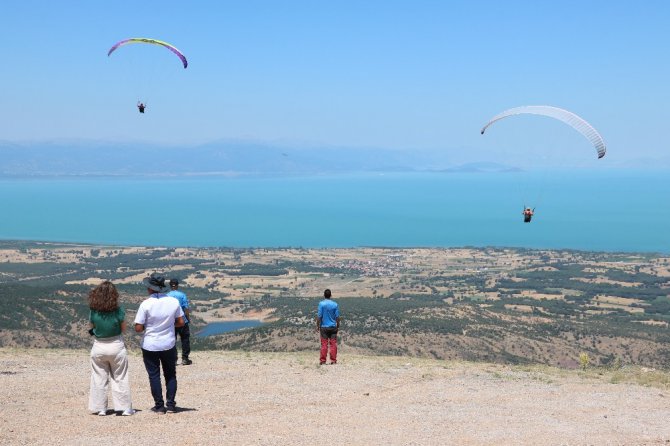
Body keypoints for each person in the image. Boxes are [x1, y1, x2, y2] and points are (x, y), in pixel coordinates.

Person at [134, 273, 185, 414]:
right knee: (170, 374)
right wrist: (168, 326)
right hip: (168, 343)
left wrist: (148, 327)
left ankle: (159, 406)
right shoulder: (173, 302)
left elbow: (138, 328)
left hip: (150, 345)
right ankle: (171, 405)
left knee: (154, 375)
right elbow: (181, 322)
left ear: (150, 288)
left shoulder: (145, 304)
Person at [87, 280, 134, 416]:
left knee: (99, 378)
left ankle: (100, 408)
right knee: (120, 377)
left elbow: (91, 328)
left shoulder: (93, 311)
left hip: (99, 346)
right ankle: (124, 408)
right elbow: (123, 329)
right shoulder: (119, 311)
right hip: (116, 346)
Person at [167, 278, 192, 365]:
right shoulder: (182, 295)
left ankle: (173, 359)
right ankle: (185, 359)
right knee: (185, 339)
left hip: (171, 322)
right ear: (177, 285)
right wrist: (188, 318)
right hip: (182, 320)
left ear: (170, 285)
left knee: (172, 340)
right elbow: (186, 308)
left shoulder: (166, 296)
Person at [316, 289, 340, 365]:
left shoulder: (321, 304)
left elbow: (319, 316)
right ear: (331, 295)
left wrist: (317, 325)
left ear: (324, 295)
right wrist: (338, 325)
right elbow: (337, 317)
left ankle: (323, 361)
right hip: (333, 327)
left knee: (324, 344)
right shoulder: (335, 304)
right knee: (333, 344)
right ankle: (333, 360)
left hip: (324, 327)